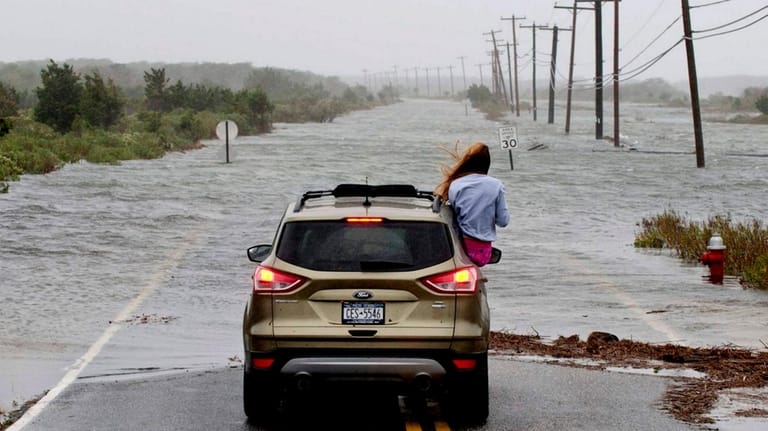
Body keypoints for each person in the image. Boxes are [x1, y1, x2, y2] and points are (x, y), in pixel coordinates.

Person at [435, 142, 509, 267]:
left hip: (458, 247)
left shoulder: (455, 184)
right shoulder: (496, 185)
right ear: (487, 165)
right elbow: (503, 221)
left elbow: (453, 216)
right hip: (483, 251)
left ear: (468, 163)